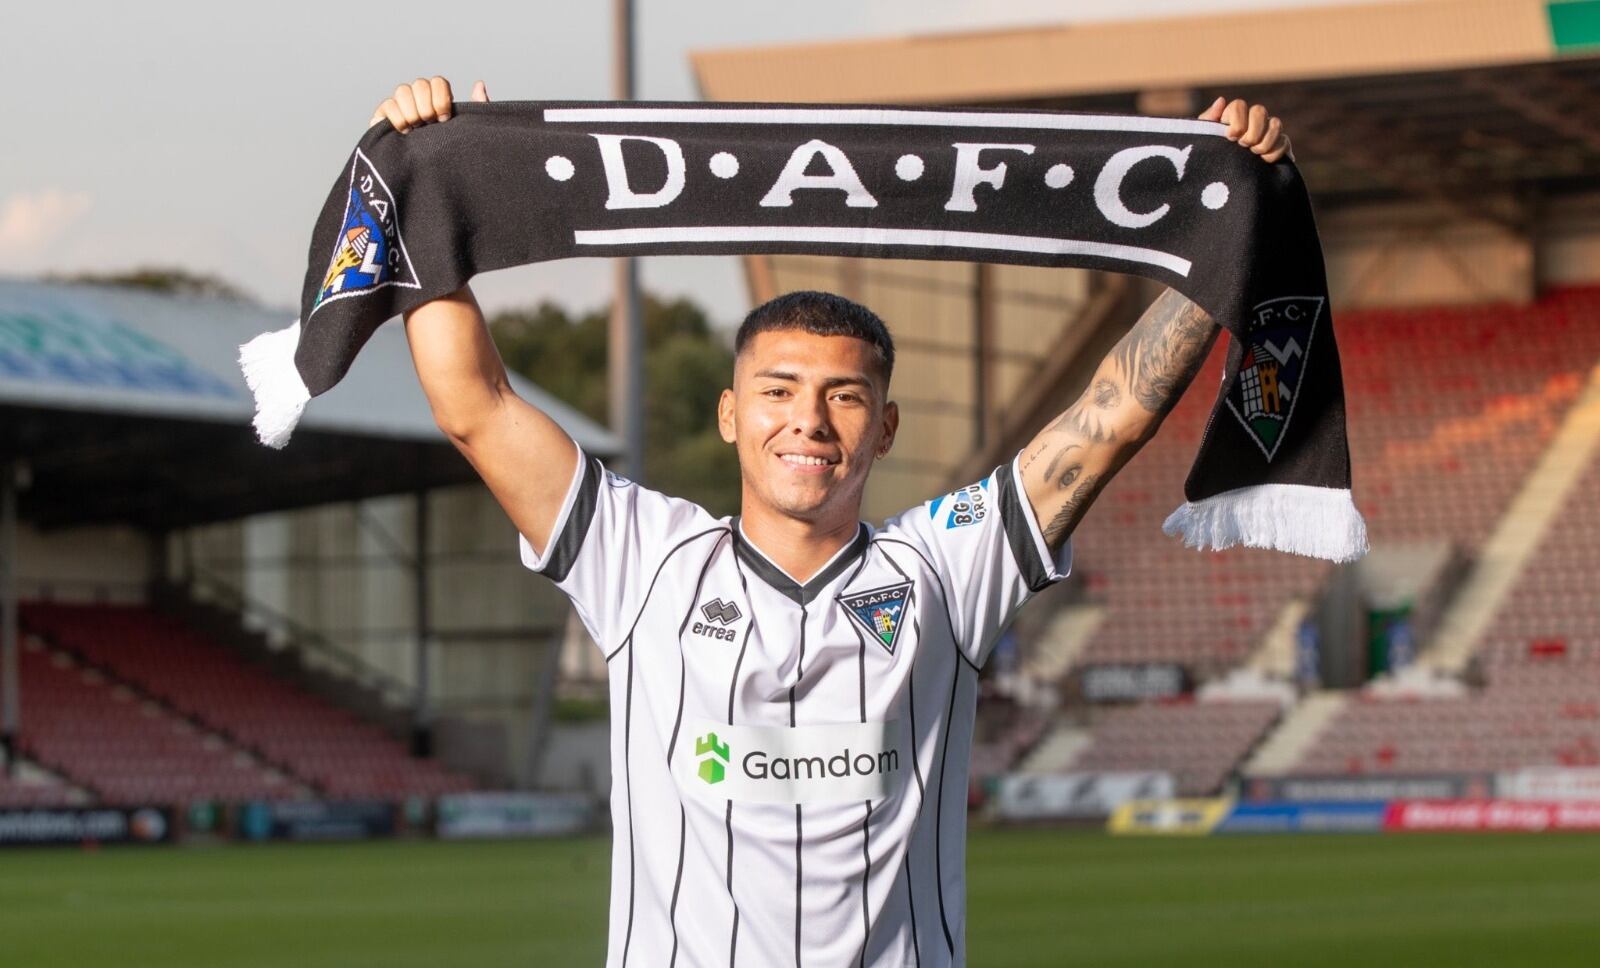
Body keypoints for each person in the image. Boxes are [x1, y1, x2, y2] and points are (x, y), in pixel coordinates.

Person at [374, 77, 1290, 968]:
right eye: (777, 392)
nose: (807, 422)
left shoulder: (945, 566)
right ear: (732, 414)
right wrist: (423, 182)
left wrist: (1220, 223)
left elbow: (1112, 414)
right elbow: (476, 406)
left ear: (885, 426)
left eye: (843, 396)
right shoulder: (641, 557)